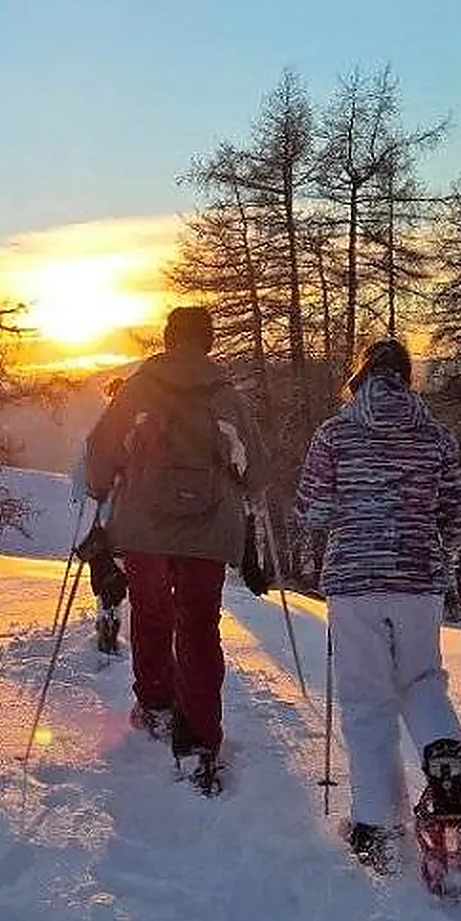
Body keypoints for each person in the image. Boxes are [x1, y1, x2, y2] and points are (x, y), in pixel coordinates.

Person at [294, 338, 461, 867]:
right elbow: (458, 519)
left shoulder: (335, 432)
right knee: (421, 680)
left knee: (366, 698)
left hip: (354, 581)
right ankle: (442, 752)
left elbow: (311, 510)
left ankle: (375, 822)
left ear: (362, 376)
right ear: (407, 378)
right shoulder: (436, 437)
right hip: (419, 579)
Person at [82, 306, 268, 791]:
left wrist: (100, 490)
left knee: (150, 613)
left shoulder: (140, 388)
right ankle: (201, 732)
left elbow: (100, 450)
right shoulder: (227, 397)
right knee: (199, 624)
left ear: (168, 339)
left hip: (146, 528)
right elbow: (258, 472)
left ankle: (156, 705)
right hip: (209, 533)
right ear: (207, 341)